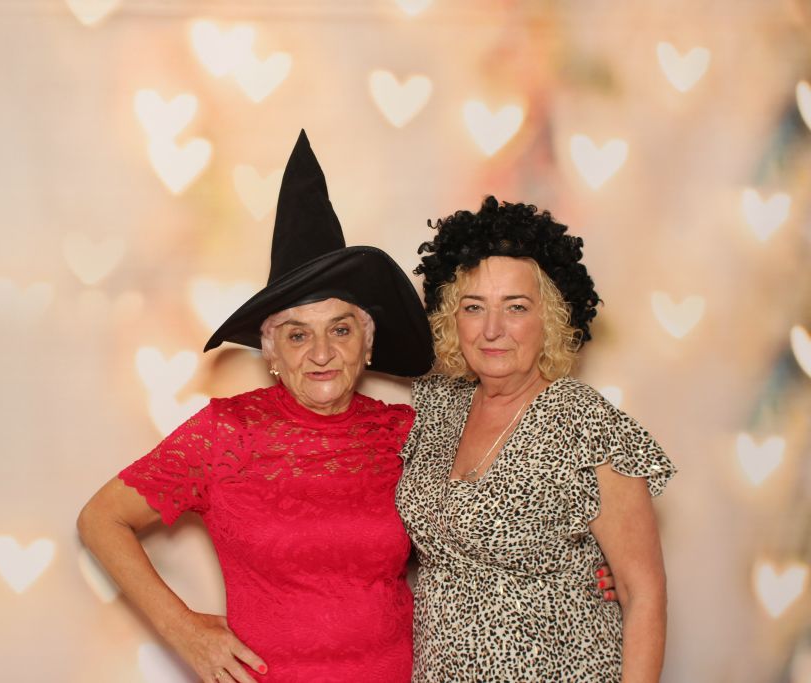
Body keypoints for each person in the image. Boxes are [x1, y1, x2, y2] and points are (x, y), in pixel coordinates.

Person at [77, 130, 435, 683]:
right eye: (298, 334)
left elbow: (483, 538)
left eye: (340, 330)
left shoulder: (407, 433)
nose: (321, 353)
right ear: (271, 352)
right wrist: (184, 630)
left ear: (367, 344)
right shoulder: (226, 431)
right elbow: (101, 519)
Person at [396, 196, 676, 682]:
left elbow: (643, 592)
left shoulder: (583, 420)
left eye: (516, 307)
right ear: (451, 318)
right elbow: (339, 379)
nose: (493, 330)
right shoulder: (436, 405)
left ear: (549, 318)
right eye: (474, 307)